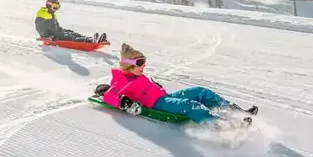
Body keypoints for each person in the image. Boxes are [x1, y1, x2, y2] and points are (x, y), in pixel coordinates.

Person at [95, 43, 255, 126]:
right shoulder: (121, 80)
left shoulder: (138, 75)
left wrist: (157, 87)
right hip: (157, 104)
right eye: (140, 62)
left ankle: (236, 111)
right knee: (190, 105)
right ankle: (224, 126)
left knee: (200, 91)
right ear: (128, 65)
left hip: (164, 97)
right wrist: (124, 102)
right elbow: (109, 96)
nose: (144, 65)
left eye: (144, 61)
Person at [35, 0, 107, 44]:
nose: (56, 9)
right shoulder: (42, 14)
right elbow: (40, 27)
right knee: (70, 37)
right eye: (55, 7)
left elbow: (55, 26)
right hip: (52, 36)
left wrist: (61, 30)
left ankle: (92, 39)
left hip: (56, 32)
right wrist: (47, 37)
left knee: (72, 33)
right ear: (49, 5)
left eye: (57, 7)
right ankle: (90, 41)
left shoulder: (52, 15)